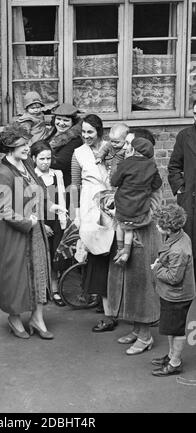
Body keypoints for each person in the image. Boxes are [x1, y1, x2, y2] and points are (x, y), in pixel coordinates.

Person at [0, 125, 66, 340]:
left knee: (40, 270)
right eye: (22, 145)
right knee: (16, 276)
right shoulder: (3, 174)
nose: (27, 148)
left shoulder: (26, 164)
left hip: (35, 231)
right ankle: (14, 317)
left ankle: (37, 317)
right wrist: (28, 221)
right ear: (9, 148)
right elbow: (4, 209)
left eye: (26, 143)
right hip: (15, 234)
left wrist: (50, 206)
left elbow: (39, 190)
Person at [107, 128, 161, 354]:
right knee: (128, 284)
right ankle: (137, 329)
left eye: (131, 144)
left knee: (142, 286)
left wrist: (132, 222)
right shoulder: (133, 169)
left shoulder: (152, 174)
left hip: (143, 237)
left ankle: (146, 335)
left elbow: (156, 207)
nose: (127, 148)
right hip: (127, 229)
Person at [71, 114, 116, 332]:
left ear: (99, 130)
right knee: (97, 255)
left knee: (115, 254)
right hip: (89, 205)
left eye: (90, 132)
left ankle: (115, 307)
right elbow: (75, 185)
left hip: (112, 204)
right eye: (83, 132)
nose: (86, 136)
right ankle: (105, 308)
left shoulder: (111, 148)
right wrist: (77, 214)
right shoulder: (78, 153)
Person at [151, 204, 195, 376]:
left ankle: (175, 363)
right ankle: (171, 356)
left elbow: (174, 278)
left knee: (176, 330)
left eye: (159, 224)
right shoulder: (180, 236)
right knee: (172, 328)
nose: (156, 226)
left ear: (168, 227)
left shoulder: (178, 250)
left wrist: (156, 268)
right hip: (174, 295)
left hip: (177, 296)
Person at [111, 135, 162, 265]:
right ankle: (126, 253)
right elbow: (157, 184)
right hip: (140, 207)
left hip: (122, 205)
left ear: (133, 150)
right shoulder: (152, 166)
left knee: (120, 226)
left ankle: (120, 249)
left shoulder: (125, 164)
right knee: (129, 228)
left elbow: (115, 181)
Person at [31, 140, 67, 307]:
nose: (45, 162)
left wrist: (64, 220)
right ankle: (42, 289)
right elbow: (31, 205)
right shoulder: (31, 177)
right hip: (41, 221)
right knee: (41, 254)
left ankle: (54, 289)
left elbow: (63, 198)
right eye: (41, 159)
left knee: (55, 256)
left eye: (48, 158)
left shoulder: (57, 174)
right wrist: (41, 224)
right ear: (34, 159)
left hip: (56, 221)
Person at [168, 100, 196, 280]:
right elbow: (174, 166)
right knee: (191, 243)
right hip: (191, 199)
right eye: (195, 114)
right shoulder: (185, 135)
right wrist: (181, 188)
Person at [46, 103, 82, 189]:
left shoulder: (76, 140)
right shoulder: (52, 132)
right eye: (58, 119)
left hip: (63, 185)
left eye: (66, 120)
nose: (61, 123)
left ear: (73, 122)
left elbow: (60, 162)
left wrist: (37, 157)